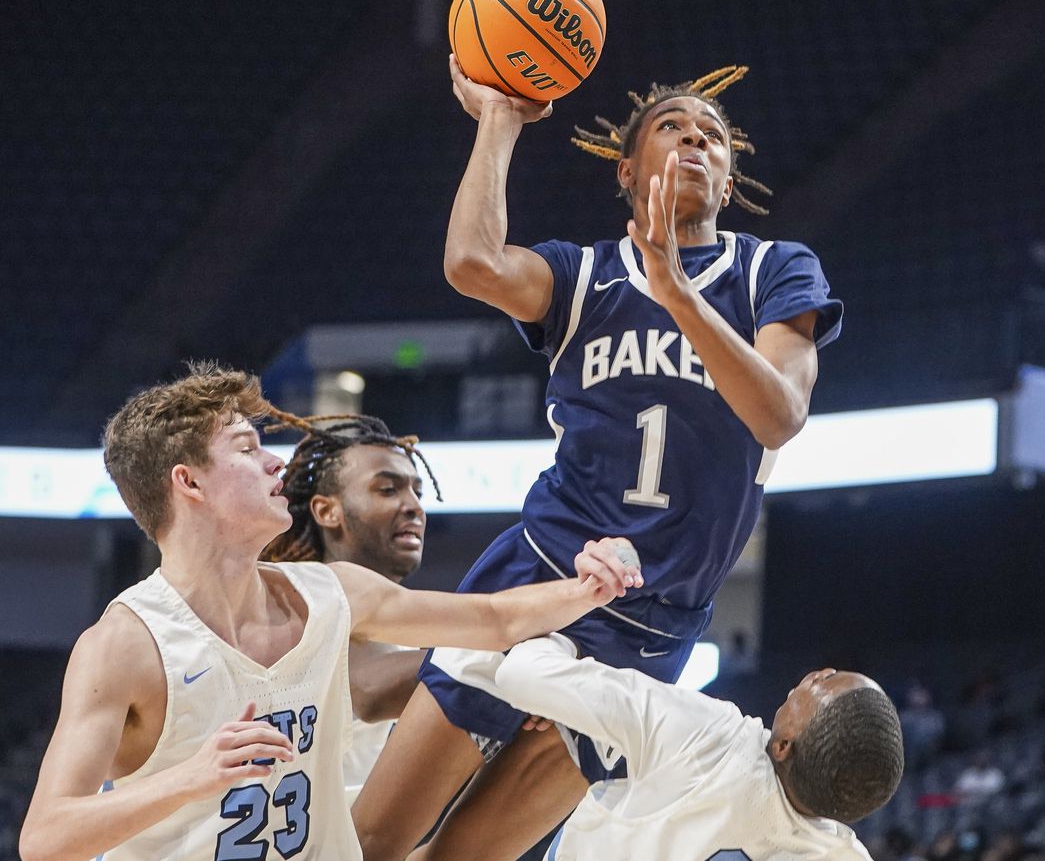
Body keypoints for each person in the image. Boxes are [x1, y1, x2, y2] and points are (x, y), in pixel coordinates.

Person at [353, 57, 843, 861]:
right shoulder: (582, 276)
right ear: (627, 170)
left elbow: (780, 415)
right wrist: (498, 123)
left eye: (712, 135)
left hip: (651, 635)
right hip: (537, 577)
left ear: (728, 178)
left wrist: (677, 289)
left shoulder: (774, 270)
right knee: (375, 840)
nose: (695, 139)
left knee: (465, 858)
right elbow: (471, 263)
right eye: (672, 128)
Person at [18, 363, 640, 861]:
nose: (274, 463)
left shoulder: (330, 591)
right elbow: (45, 838)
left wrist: (589, 586)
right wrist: (193, 775)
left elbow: (494, 622)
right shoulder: (126, 645)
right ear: (189, 483)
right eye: (246, 449)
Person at [431, 635, 901, 860]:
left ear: (782, 746)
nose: (818, 673)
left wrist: (563, 641)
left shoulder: (709, 735)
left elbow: (523, 674)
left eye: (824, 685)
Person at [259, 412, 437, 803]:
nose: (413, 507)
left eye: (417, 493)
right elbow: (370, 688)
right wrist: (513, 663)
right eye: (388, 490)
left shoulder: (389, 617)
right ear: (327, 511)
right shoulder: (305, 592)